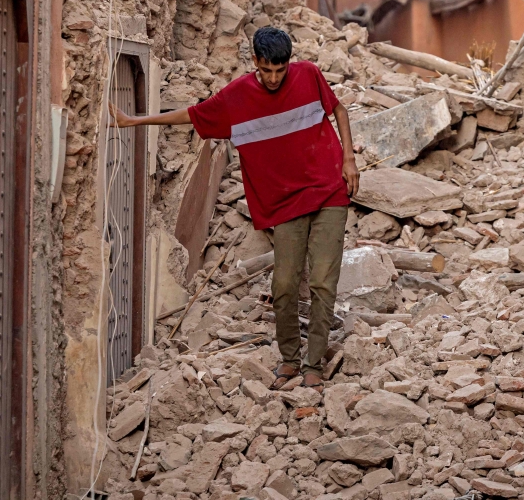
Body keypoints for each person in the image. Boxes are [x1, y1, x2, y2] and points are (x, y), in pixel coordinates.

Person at [109, 26, 359, 393]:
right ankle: (289, 359)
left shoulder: (308, 74)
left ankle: (313, 364)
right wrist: (136, 122)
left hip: (329, 192)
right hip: (284, 202)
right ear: (255, 61)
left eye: (280, 70)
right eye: (266, 70)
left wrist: (349, 159)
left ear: (289, 63)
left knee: (323, 282)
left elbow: (337, 108)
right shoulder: (237, 97)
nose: (274, 78)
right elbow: (192, 115)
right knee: (285, 285)